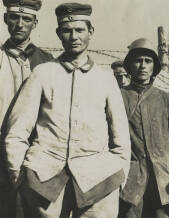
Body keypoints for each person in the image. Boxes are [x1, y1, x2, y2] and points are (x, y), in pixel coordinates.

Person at [3, 2, 131, 218]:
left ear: (90, 32)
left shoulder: (105, 79)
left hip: (98, 183)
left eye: (79, 30)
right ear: (58, 34)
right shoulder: (42, 73)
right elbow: (16, 132)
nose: (74, 36)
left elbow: (121, 139)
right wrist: (21, 178)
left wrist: (119, 176)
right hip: (44, 182)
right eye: (67, 30)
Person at [118, 38, 169, 218]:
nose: (142, 66)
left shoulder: (167, 100)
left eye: (148, 61)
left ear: (154, 66)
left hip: (164, 183)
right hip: (129, 184)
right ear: (129, 65)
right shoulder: (118, 97)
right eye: (138, 61)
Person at [0, 0, 53, 217]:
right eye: (14, 17)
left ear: (35, 22)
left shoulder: (48, 63)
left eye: (27, 19)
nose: (20, 24)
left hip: (35, 152)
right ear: (5, 19)